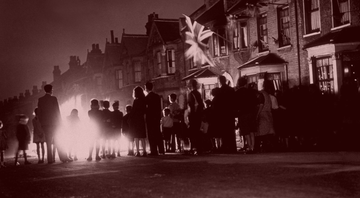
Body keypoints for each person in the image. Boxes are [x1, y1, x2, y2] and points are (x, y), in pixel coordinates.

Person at [37, 84, 69, 164]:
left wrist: (41, 123)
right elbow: (57, 111)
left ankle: (50, 159)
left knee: (48, 142)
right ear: (51, 90)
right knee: (58, 140)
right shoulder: (54, 99)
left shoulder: (40, 100)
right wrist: (60, 122)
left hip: (45, 124)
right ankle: (63, 157)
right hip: (54, 123)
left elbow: (39, 113)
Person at [234, 77, 258, 154]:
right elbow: (255, 102)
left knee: (246, 131)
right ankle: (253, 147)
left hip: (243, 113)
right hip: (251, 112)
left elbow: (236, 104)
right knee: (252, 131)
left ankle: (250, 147)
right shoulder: (250, 92)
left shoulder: (237, 93)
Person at [217, 75, 237, 153]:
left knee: (224, 131)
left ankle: (226, 146)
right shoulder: (231, 90)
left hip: (223, 113)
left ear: (220, 81)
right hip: (230, 113)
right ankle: (232, 147)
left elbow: (219, 103)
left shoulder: (220, 91)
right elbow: (234, 101)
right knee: (231, 131)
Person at [144, 82, 164, 156]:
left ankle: (154, 150)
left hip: (150, 117)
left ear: (146, 88)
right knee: (158, 133)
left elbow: (145, 108)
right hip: (156, 117)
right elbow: (159, 108)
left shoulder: (147, 97)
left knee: (151, 134)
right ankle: (161, 149)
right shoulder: (157, 96)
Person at [256, 79, 276, 152]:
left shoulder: (261, 93)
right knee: (268, 132)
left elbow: (261, 104)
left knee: (261, 132)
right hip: (268, 114)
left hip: (263, 114)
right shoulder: (268, 94)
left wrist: (257, 114)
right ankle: (268, 146)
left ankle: (262, 147)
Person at [187, 79, 204, 155]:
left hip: (193, 115)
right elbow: (201, 104)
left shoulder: (191, 94)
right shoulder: (198, 93)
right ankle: (200, 148)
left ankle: (194, 148)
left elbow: (190, 105)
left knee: (193, 132)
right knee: (198, 132)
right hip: (199, 115)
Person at [131, 86, 148, 157]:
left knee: (136, 136)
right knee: (143, 136)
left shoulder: (136, 101)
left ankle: (137, 151)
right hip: (142, 118)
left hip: (136, 119)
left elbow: (133, 111)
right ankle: (144, 151)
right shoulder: (144, 100)